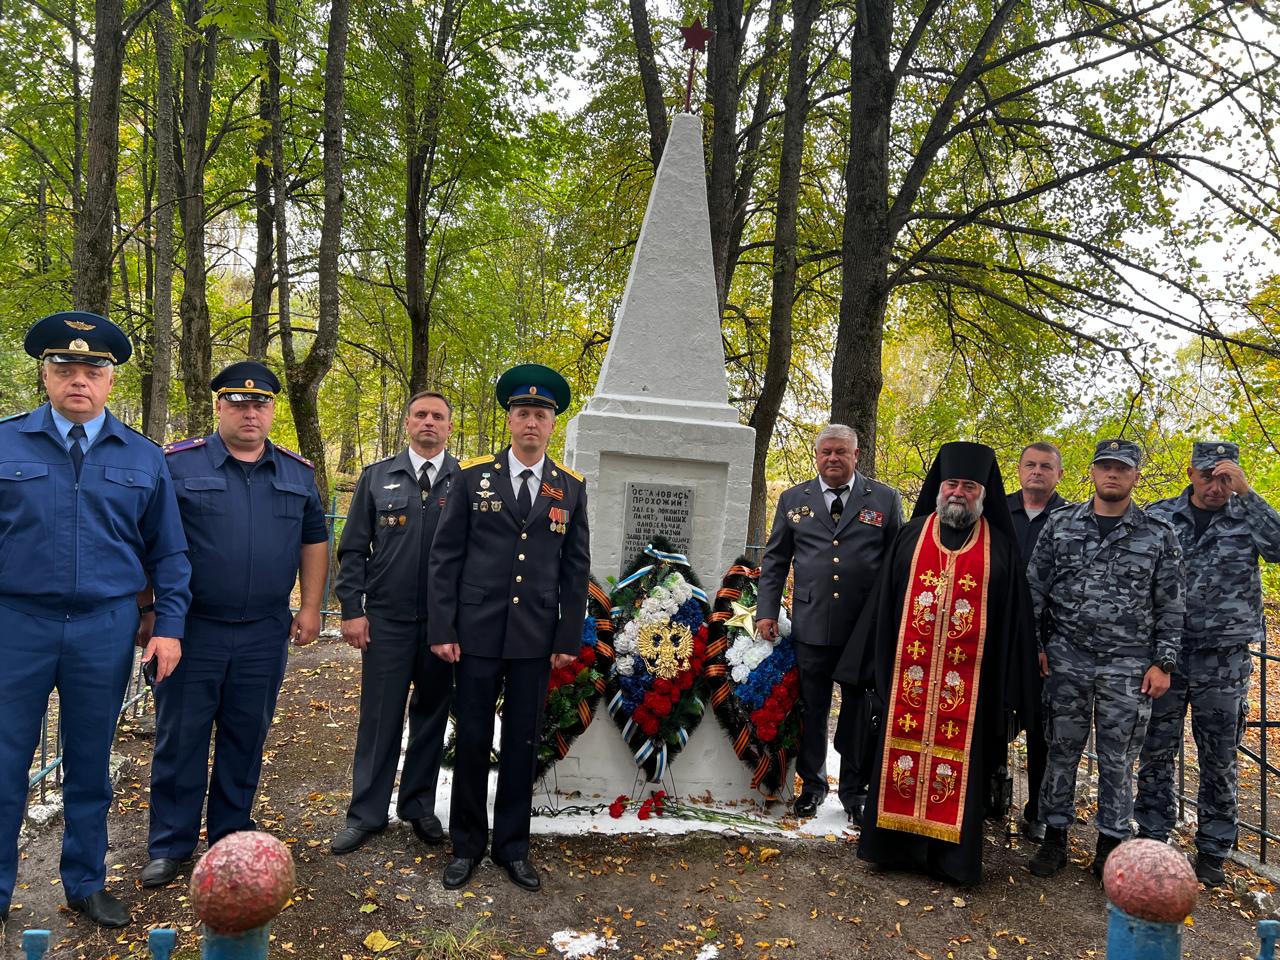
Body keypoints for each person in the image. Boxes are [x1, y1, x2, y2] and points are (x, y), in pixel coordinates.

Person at [0, 312, 190, 928]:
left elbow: (169, 552)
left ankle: (85, 882)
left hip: (103, 629)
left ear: (110, 381)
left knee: (89, 765)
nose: (78, 379)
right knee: (4, 764)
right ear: (45, 374)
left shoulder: (143, 456)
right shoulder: (5, 444)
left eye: (92, 369)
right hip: (15, 624)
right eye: (65, 367)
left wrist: (168, 626)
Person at [140, 361, 328, 889]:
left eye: (261, 403)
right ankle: (170, 845)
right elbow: (147, 540)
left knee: (247, 735)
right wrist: (150, 612)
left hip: (264, 632)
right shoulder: (176, 465)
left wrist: (310, 606)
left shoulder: (297, 473)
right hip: (191, 630)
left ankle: (230, 835)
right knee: (180, 739)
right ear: (219, 407)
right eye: (239, 402)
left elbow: (315, 540)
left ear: (271, 411)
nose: (251, 411)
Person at [840, 441, 1037, 885]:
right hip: (905, 688)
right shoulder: (910, 537)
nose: (958, 492)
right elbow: (882, 610)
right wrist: (868, 670)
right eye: (952, 483)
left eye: (969, 485)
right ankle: (890, 849)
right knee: (896, 760)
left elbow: (1014, 629)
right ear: (939, 487)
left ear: (983, 493)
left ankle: (950, 860)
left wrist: (1009, 694)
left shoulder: (1001, 550)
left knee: (959, 771)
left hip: (970, 697)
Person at [428, 363, 590, 893]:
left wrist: (567, 638)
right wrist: (443, 627)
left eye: (540, 415)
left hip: (534, 640)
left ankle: (513, 847)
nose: (531, 423)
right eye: (523, 413)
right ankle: (467, 845)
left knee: (522, 744)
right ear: (510, 421)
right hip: (474, 634)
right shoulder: (473, 478)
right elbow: (445, 558)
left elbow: (574, 568)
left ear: (551, 424)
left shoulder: (569, 488)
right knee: (473, 739)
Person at [1027, 439, 1184, 879]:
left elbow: (1171, 605)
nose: (1112, 475)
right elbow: (1034, 590)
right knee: (1061, 752)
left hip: (1129, 666)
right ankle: (1054, 836)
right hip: (1066, 660)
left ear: (1134, 476)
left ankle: (1111, 846)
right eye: (1104, 468)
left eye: (1121, 469)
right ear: (1092, 473)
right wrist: (1038, 646)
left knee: (1118, 760)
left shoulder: (1157, 534)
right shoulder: (1061, 525)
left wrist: (1164, 663)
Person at [1135, 442, 1280, 885]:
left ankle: (1214, 849)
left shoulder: (1248, 517)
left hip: (1225, 659)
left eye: (1223, 478)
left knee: (1219, 756)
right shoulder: (1160, 514)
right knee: (1156, 750)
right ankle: (1155, 836)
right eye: (1206, 476)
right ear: (1191, 473)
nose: (1214, 486)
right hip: (1168, 657)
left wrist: (1249, 494)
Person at [331, 391, 459, 854]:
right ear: (408, 423)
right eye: (421, 415)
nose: (429, 422)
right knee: (380, 718)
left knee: (431, 717)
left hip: (444, 627)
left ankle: (418, 806)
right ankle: (365, 813)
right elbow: (352, 550)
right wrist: (352, 609)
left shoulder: (465, 481)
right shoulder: (377, 477)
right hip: (386, 620)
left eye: (438, 417)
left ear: (449, 427)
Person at [756, 424, 903, 821]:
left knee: (860, 711)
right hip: (813, 623)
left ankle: (855, 792)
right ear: (816, 456)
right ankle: (813, 787)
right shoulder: (793, 499)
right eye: (826, 452)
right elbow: (775, 560)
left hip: (863, 629)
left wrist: (892, 621)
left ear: (856, 455)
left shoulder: (885, 499)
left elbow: (897, 566)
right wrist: (766, 610)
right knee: (813, 708)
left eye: (841, 452)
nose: (833, 459)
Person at [1006, 442, 1073, 844]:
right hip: (997, 633)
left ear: (1059, 474)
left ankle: (1038, 811)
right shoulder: (996, 512)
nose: (1037, 471)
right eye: (1029, 464)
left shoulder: (1072, 518)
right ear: (1018, 470)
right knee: (992, 720)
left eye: (1046, 466)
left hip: (1050, 640)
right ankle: (988, 797)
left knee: (1043, 730)